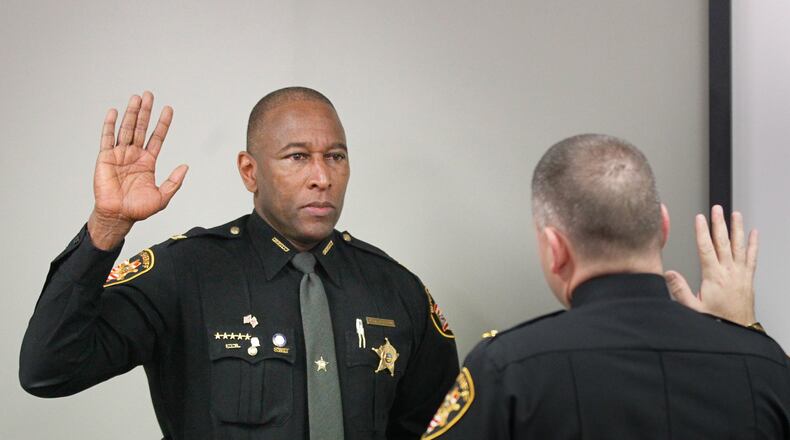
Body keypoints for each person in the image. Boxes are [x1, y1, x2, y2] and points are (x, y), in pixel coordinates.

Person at [19, 88, 459, 440]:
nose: (322, 177)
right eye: (298, 156)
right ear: (250, 171)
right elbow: (48, 370)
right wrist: (107, 226)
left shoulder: (397, 289)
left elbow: (436, 428)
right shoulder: (184, 273)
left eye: (336, 157)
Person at [422, 134, 790, 439]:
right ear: (663, 226)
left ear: (555, 249)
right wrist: (744, 337)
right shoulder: (766, 367)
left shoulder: (508, 369)